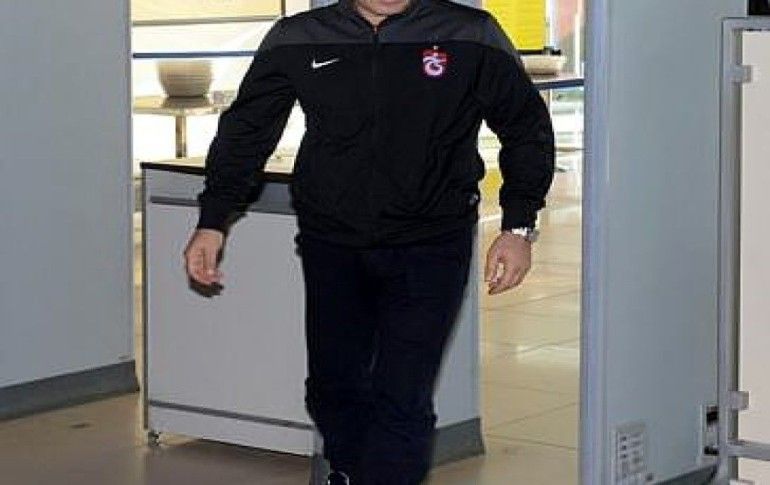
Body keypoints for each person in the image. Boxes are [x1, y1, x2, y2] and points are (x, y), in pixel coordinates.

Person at [182, 0, 555, 483]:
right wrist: (213, 219)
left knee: (402, 395)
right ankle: (351, 473)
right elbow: (247, 131)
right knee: (332, 388)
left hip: (431, 243)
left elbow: (525, 127)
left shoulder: (470, 33)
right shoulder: (299, 36)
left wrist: (518, 225)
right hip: (331, 243)